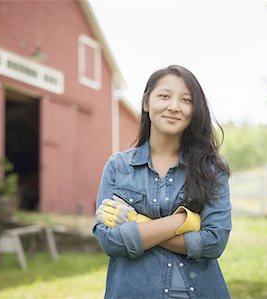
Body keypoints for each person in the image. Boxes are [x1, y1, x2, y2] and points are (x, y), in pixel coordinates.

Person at [93, 65, 232, 299]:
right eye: (164, 96)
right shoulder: (118, 166)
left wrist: (137, 225)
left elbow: (214, 242)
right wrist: (184, 221)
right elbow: (109, 241)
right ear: (147, 103)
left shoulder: (211, 168)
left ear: (194, 110)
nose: (174, 106)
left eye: (186, 100)